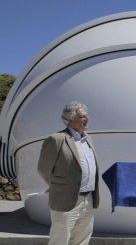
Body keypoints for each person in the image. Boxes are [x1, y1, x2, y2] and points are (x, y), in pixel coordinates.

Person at [38, 102, 100, 245]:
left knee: (82, 239)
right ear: (70, 120)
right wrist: (61, 187)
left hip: (88, 198)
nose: (87, 119)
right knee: (60, 239)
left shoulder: (88, 139)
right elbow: (43, 169)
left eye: (86, 115)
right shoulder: (56, 139)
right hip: (65, 198)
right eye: (82, 116)